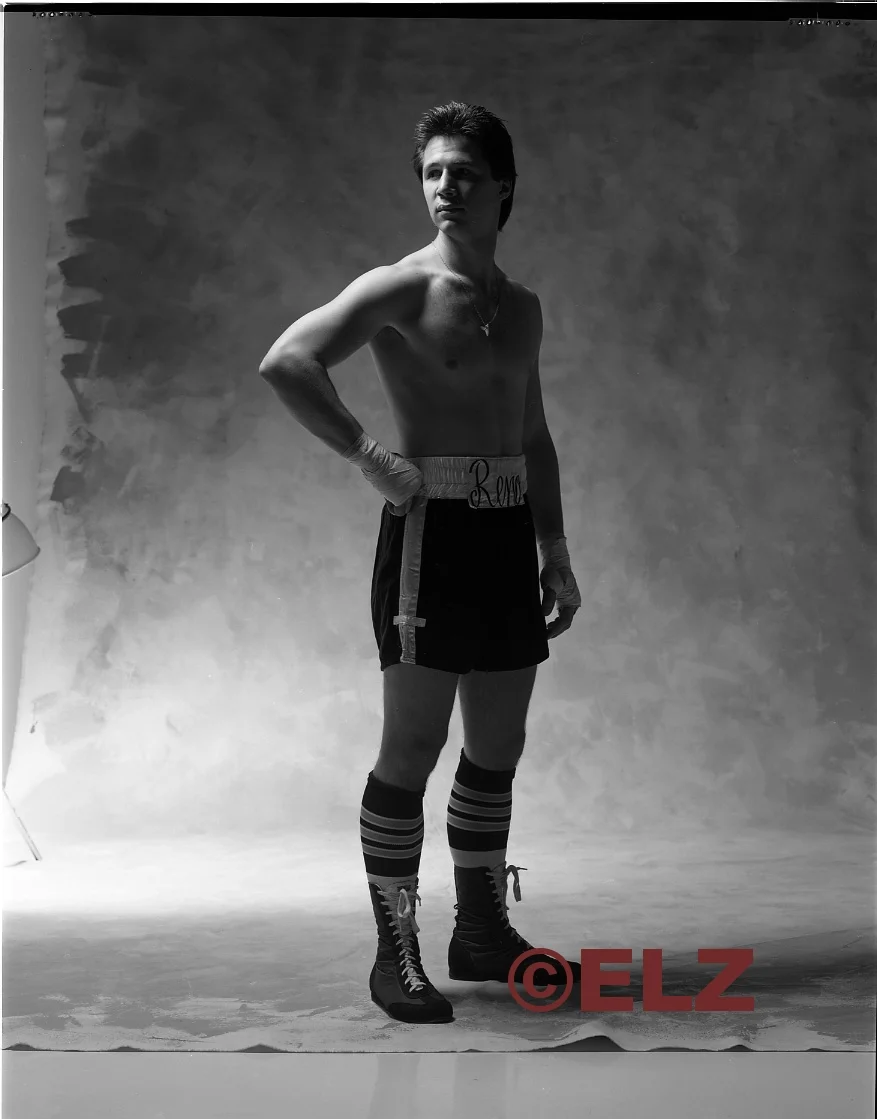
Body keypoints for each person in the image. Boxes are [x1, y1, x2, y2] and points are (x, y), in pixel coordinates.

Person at [259, 102, 581, 1024]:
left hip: (506, 529)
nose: (445, 187)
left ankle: (479, 931)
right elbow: (288, 360)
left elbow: (532, 432)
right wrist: (370, 457)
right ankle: (393, 949)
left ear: (503, 187)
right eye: (433, 172)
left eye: (464, 173)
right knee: (412, 747)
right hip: (430, 534)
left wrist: (554, 547)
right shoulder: (400, 287)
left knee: (497, 746)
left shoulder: (521, 307)